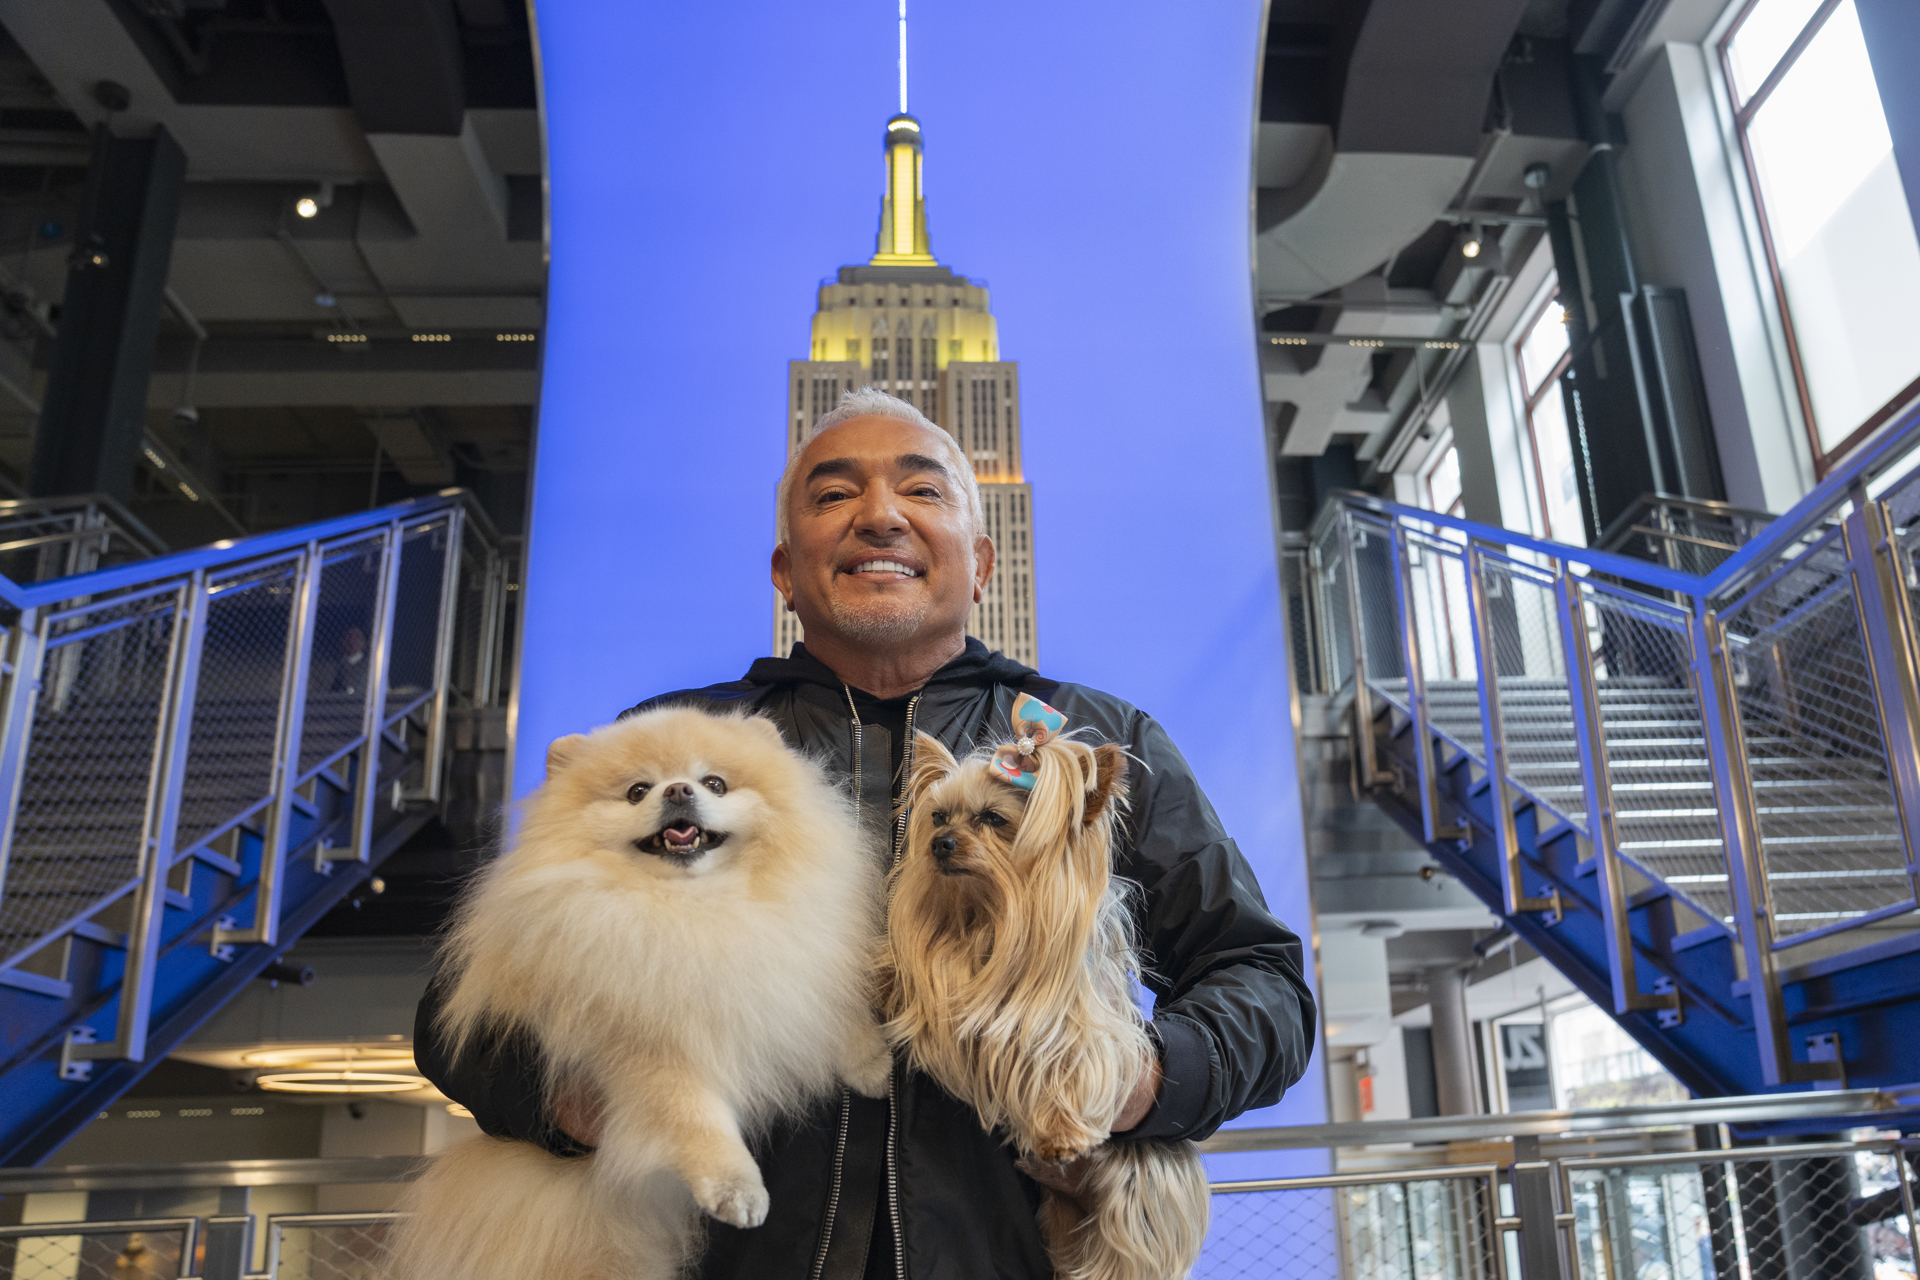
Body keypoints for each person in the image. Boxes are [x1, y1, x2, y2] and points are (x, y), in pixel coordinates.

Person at [415, 387, 1317, 1280]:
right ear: (783, 567)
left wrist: (1139, 1084)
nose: (879, 515)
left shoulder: (1093, 741)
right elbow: (460, 1030)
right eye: (834, 493)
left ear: (982, 562)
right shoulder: (673, 748)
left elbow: (1266, 988)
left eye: (922, 491)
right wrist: (604, 1104)